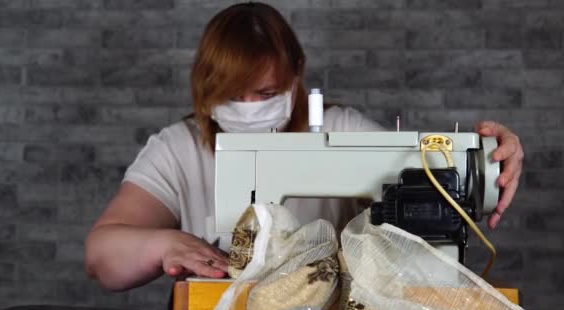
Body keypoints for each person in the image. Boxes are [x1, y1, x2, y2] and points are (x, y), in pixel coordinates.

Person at [84, 2, 524, 291]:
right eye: (232, 95)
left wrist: (485, 158)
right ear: (203, 85)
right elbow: (101, 256)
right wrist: (160, 245)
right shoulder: (178, 148)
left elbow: (432, 174)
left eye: (264, 92)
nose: (249, 108)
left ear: (297, 74)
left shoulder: (343, 129)